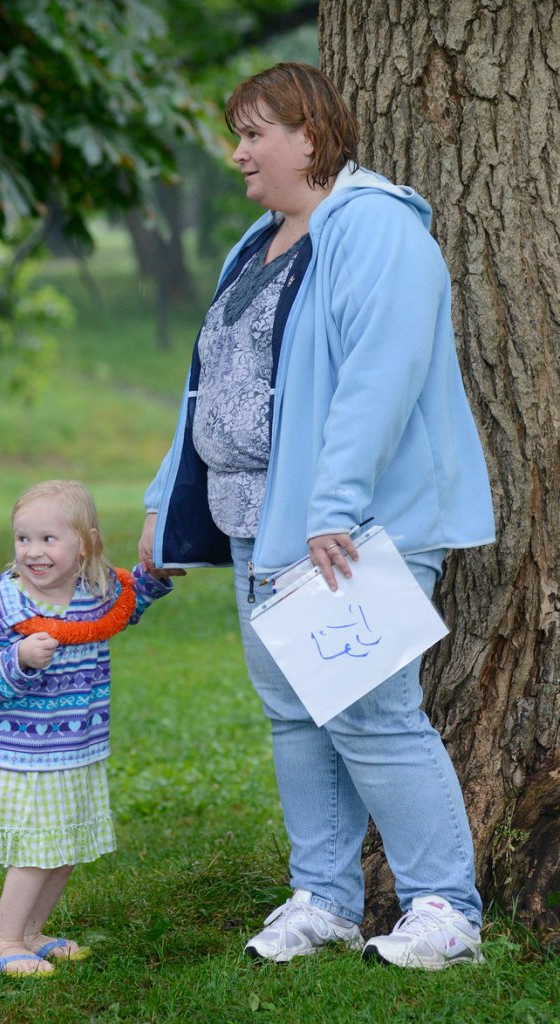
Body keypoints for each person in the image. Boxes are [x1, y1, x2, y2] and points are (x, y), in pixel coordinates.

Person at [138, 62, 495, 970]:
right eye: (239, 133)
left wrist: (331, 508)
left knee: (373, 714)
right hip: (263, 522)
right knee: (294, 715)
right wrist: (161, 501)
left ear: (311, 135)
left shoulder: (374, 227)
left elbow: (379, 378)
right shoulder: (256, 243)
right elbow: (212, 384)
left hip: (350, 528)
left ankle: (446, 911)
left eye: (255, 133)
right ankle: (325, 900)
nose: (238, 152)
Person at [0, 479, 174, 976]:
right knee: (38, 848)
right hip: (14, 751)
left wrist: (156, 574)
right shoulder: (3, 601)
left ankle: (32, 934)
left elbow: (130, 604)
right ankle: (4, 944)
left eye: (48, 539)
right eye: (23, 539)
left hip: (73, 749)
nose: (32, 552)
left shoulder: (95, 593)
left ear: (87, 544)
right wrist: (18, 658)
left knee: (65, 850)